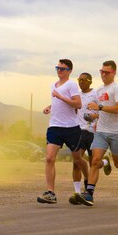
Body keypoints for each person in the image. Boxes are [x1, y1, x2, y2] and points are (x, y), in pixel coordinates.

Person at [74, 60, 118, 206]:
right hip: (101, 130)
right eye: (101, 71)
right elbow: (97, 109)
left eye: (106, 72)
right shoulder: (99, 90)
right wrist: (92, 115)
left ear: (114, 73)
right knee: (95, 161)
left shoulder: (117, 88)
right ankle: (89, 194)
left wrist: (100, 107)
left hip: (117, 132)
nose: (103, 74)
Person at [38, 59, 90, 205]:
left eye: (62, 68)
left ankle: (88, 182)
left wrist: (60, 97)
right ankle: (51, 193)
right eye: (58, 68)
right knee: (49, 158)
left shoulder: (71, 84)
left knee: (78, 159)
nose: (59, 70)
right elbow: (58, 103)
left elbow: (78, 104)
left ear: (69, 71)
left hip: (71, 128)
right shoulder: (53, 85)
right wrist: (49, 107)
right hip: (54, 126)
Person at [68, 72, 107, 205]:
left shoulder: (96, 94)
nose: (81, 82)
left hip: (93, 132)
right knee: (76, 160)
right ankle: (78, 193)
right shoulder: (77, 95)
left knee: (93, 164)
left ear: (90, 81)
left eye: (84, 80)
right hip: (79, 131)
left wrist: (93, 116)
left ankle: (105, 164)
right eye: (79, 80)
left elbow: (104, 112)